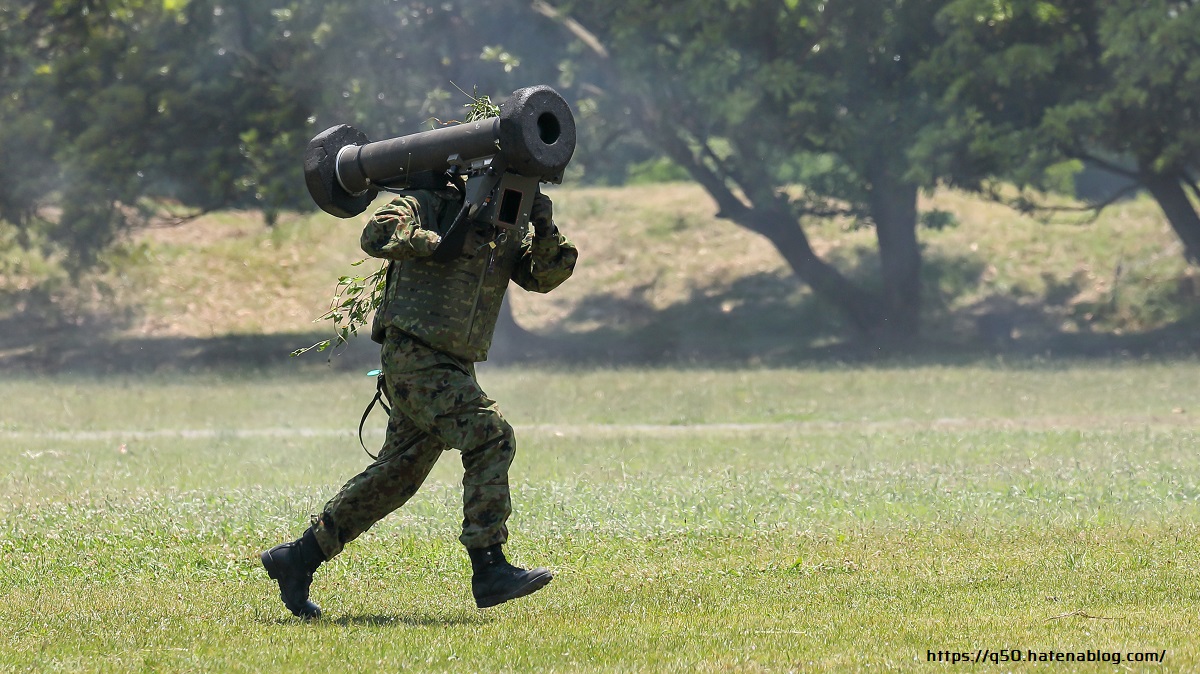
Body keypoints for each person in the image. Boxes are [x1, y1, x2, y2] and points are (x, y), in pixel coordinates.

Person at [261, 176, 578, 619]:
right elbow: (377, 233)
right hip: (415, 355)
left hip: (450, 363)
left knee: (396, 476)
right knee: (491, 435)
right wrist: (442, 240)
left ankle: (296, 559)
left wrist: (543, 228)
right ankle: (489, 567)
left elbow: (543, 277)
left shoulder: (506, 223)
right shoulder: (431, 203)